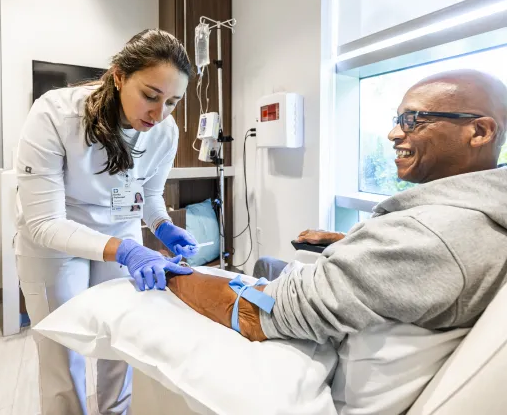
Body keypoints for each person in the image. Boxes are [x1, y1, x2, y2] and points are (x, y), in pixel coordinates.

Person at [165, 69, 507, 413]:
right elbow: (410, 262)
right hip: (354, 302)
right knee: (267, 264)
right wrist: (343, 240)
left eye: (413, 120)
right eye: (397, 119)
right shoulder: (482, 212)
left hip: (306, 330)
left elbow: (261, 313)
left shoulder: (429, 236)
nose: (393, 133)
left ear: (479, 131)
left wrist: (168, 274)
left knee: (250, 277)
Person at [16, 29, 200, 415]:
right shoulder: (54, 114)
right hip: (54, 241)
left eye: (173, 102)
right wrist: (128, 250)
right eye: (151, 95)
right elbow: (44, 222)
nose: (159, 113)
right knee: (63, 354)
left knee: (120, 340)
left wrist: (163, 225)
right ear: (118, 76)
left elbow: (147, 194)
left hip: (119, 231)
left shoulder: (164, 132)